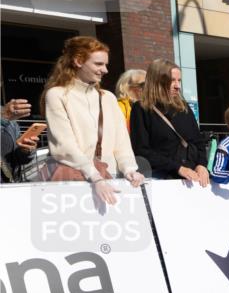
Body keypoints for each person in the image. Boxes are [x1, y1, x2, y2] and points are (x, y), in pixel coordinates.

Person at [42, 36, 144, 204]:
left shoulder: (108, 98)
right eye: (98, 64)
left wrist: (130, 169)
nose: (105, 70)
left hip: (112, 179)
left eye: (106, 64)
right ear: (78, 61)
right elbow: (64, 146)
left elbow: (122, 142)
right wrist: (95, 176)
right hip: (77, 182)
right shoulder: (57, 95)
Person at [130, 59, 208, 185]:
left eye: (179, 80)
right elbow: (141, 150)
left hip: (192, 179)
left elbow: (198, 141)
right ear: (157, 82)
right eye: (172, 80)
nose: (177, 86)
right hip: (161, 180)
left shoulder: (183, 107)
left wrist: (201, 165)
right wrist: (177, 168)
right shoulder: (141, 109)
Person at [1, 98, 38, 183]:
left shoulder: (9, 117)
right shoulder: (4, 114)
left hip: (12, 185)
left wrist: (25, 150)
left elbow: (19, 159)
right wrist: (2, 119)